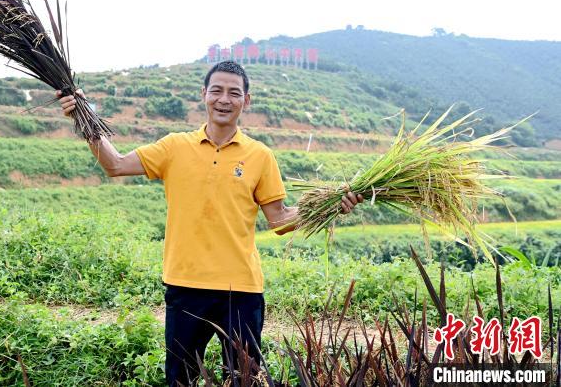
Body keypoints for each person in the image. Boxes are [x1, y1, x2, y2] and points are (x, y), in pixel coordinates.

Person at [57, 61, 363, 386]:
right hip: (185, 286)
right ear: (204, 94)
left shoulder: (260, 156)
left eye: (234, 93)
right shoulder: (174, 147)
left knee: (244, 379)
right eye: (216, 90)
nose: (224, 99)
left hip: (241, 291)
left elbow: (280, 220)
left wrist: (328, 206)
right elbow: (115, 165)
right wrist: (82, 117)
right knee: (181, 380)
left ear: (247, 101)